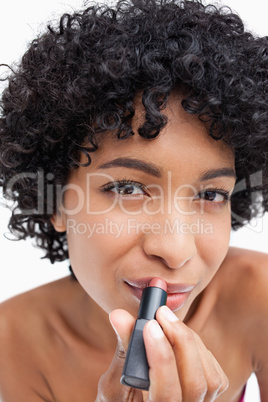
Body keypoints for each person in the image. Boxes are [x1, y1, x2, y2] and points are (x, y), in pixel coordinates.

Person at [0, 0, 268, 400]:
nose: (175, 252)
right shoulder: (12, 344)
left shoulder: (260, 300)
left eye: (212, 194)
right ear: (55, 200)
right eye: (127, 189)